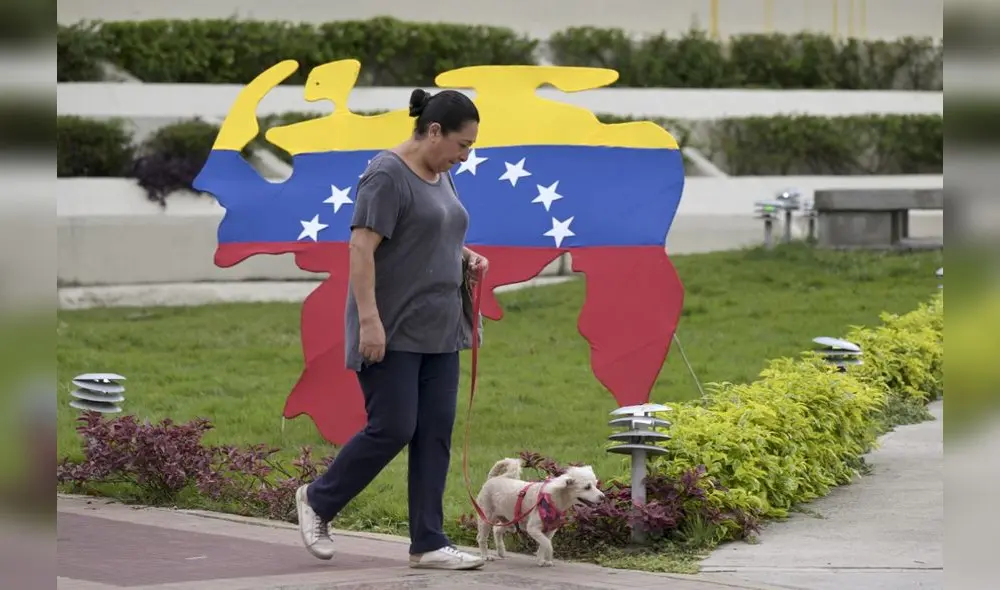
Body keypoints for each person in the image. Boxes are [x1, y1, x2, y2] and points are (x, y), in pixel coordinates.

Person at [295, 87, 489, 570]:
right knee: (394, 427)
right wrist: (369, 322)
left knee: (434, 434)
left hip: (441, 328)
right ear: (435, 131)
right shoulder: (386, 174)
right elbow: (361, 249)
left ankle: (428, 541)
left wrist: (465, 257)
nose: (465, 156)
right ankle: (318, 500)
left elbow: (430, 232)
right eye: (462, 145)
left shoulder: (441, 175)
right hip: (391, 328)